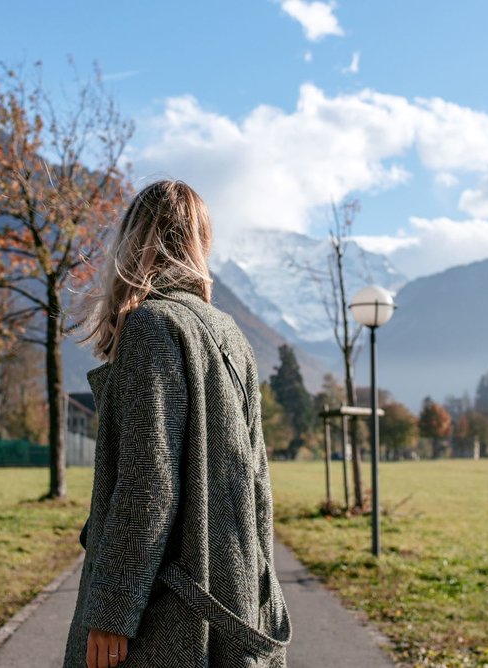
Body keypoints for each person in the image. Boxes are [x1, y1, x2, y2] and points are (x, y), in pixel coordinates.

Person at [63, 179, 291, 668]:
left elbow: (149, 486)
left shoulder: (152, 325)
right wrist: (261, 598)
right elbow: (258, 488)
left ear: (134, 239)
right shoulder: (230, 333)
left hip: (167, 615)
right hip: (231, 597)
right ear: (198, 244)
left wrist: (111, 610)